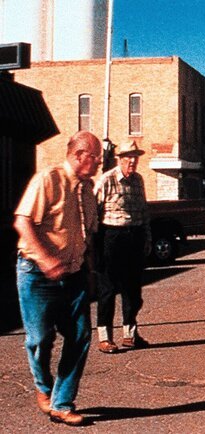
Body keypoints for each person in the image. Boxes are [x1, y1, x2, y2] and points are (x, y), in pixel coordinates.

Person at [14, 131, 102, 426]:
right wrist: (45, 259)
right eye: (96, 157)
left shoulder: (88, 189)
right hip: (36, 273)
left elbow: (87, 235)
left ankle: (62, 402)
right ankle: (43, 388)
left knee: (80, 336)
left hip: (73, 275)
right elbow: (22, 222)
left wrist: (90, 271)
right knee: (40, 339)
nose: (100, 162)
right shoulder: (48, 180)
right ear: (79, 155)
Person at [94, 140, 151, 353]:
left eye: (135, 157)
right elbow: (94, 212)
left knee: (132, 290)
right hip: (111, 237)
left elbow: (144, 212)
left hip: (134, 237)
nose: (132, 162)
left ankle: (130, 334)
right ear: (120, 159)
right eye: (128, 157)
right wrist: (93, 244)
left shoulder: (138, 181)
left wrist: (147, 239)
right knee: (108, 289)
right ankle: (104, 338)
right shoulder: (106, 180)